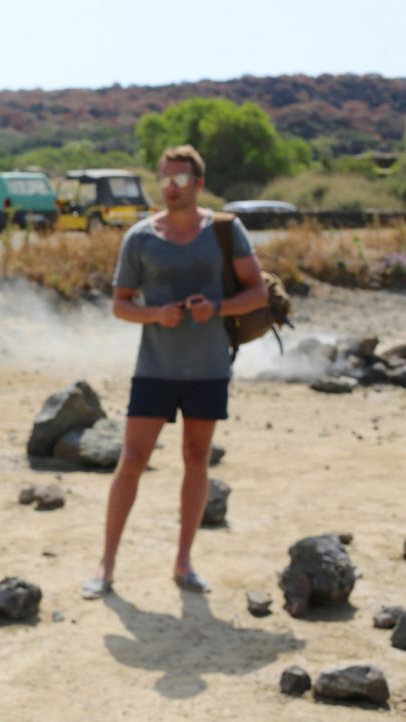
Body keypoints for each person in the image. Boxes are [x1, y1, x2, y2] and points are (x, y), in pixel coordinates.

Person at [81, 145, 267, 600]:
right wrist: (156, 315)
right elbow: (121, 305)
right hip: (155, 369)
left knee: (195, 459)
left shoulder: (226, 231)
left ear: (198, 184)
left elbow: (258, 293)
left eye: (180, 179)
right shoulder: (140, 238)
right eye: (164, 178)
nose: (170, 186)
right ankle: (106, 568)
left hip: (208, 367)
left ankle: (184, 563)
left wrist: (217, 308)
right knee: (132, 462)